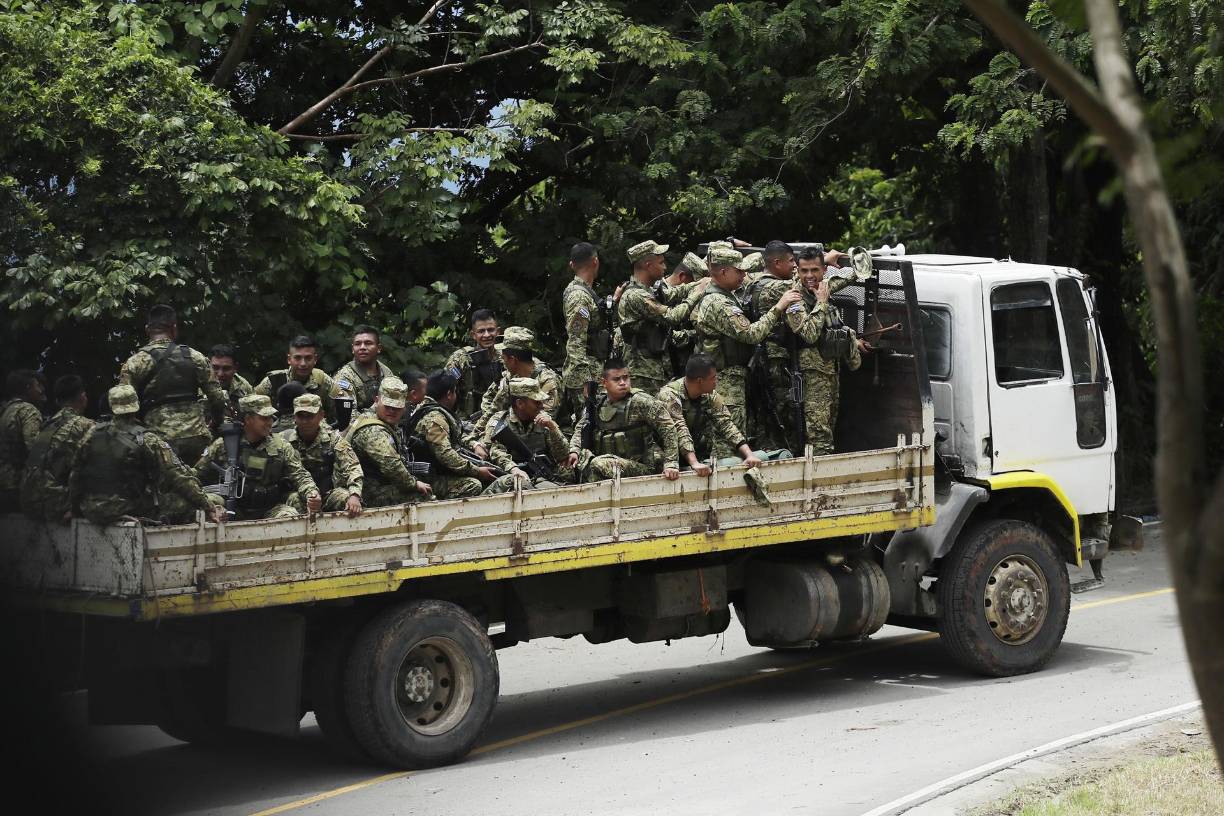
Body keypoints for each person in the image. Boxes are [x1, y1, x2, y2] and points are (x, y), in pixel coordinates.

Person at [692, 247, 802, 456]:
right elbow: (751, 334)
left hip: (731, 377)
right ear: (724, 272)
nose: (744, 275)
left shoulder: (724, 294)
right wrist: (779, 306)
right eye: (739, 271)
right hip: (725, 381)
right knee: (729, 443)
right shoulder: (719, 302)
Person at [70, 385, 221, 525]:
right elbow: (179, 477)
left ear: (111, 406)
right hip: (129, 509)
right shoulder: (147, 439)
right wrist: (208, 506)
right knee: (210, 500)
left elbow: (75, 474)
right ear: (136, 406)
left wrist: (74, 509)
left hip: (91, 510)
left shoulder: (91, 434)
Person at [119, 304, 227, 465]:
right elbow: (217, 398)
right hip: (196, 438)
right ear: (174, 328)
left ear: (147, 330)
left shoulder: (134, 363)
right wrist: (216, 423)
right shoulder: (194, 357)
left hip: (158, 440)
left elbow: (123, 408)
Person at [786, 246, 869, 454]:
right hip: (811, 377)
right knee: (818, 434)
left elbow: (856, 273)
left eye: (814, 270)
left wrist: (853, 341)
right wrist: (822, 303)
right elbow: (809, 334)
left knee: (829, 425)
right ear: (797, 271)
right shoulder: (794, 298)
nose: (809, 276)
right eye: (804, 271)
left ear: (824, 270)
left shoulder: (823, 287)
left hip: (830, 370)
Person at [196, 394, 320, 520]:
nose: (270, 422)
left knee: (289, 516)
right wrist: (213, 507)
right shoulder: (224, 445)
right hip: (233, 509)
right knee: (206, 505)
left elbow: (300, 474)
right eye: (264, 418)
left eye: (271, 418)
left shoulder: (280, 446)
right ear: (248, 419)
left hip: (269, 508)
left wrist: (312, 493)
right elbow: (196, 475)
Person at [616, 239, 710, 396]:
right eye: (661, 262)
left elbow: (674, 293)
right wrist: (698, 292)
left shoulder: (648, 290)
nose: (665, 267)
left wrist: (700, 283)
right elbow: (672, 316)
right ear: (648, 265)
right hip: (642, 373)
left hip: (653, 369)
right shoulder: (636, 295)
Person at [566, 358, 680, 482]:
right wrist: (574, 451)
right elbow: (581, 429)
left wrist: (671, 463)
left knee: (598, 464)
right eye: (616, 379)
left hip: (644, 466)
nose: (622, 382)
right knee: (573, 465)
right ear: (604, 383)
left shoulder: (641, 401)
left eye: (625, 378)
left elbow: (668, 428)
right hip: (614, 464)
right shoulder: (597, 404)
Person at [657, 355, 768, 475]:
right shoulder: (669, 396)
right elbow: (680, 429)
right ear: (700, 380)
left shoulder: (709, 395)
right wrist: (694, 463)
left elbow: (726, 424)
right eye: (713, 378)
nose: (716, 382)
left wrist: (749, 455)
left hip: (691, 452)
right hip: (667, 455)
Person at [743, 240, 801, 450]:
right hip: (775, 362)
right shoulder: (775, 287)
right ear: (777, 263)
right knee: (782, 415)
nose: (795, 266)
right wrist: (826, 265)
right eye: (792, 261)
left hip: (761, 360)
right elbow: (808, 283)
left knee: (765, 415)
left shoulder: (753, 282)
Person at [404, 372, 497, 499]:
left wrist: (474, 444)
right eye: (455, 392)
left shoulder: (424, 407)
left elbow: (456, 434)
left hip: (428, 472)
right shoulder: (436, 418)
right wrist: (477, 471)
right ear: (449, 394)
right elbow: (446, 455)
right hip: (427, 479)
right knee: (473, 485)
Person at [345, 378, 433, 507]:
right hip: (364, 492)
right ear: (377, 400)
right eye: (388, 406)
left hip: (377, 485)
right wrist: (413, 483)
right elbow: (391, 464)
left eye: (396, 407)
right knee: (423, 496)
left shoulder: (381, 420)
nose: (392, 411)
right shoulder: (373, 430)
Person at [483, 377, 577, 494]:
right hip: (510, 478)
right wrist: (514, 469)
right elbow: (496, 452)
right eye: (536, 402)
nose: (542, 406)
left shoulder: (544, 420)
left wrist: (553, 428)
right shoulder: (499, 422)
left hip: (540, 476)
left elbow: (563, 455)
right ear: (520, 403)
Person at [20, 375, 94, 522]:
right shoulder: (86, 425)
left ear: (57, 401)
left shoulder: (46, 425)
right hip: (56, 504)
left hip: (28, 501)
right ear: (83, 397)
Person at [470, 326, 560, 441]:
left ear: (513, 360)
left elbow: (544, 422)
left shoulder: (547, 380)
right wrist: (473, 439)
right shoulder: (510, 376)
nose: (502, 361)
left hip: (547, 437)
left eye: (503, 358)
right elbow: (495, 409)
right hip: (518, 431)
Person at [281, 393, 364, 517]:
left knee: (348, 500)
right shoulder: (284, 441)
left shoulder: (333, 439)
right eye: (300, 416)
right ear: (294, 417)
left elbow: (352, 467)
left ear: (321, 415)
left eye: (310, 416)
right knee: (293, 501)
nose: (305, 421)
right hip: (299, 495)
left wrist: (355, 494)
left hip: (328, 494)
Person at [560, 242, 611, 429]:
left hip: (592, 369)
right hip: (586, 373)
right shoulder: (579, 296)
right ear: (595, 261)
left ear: (572, 264)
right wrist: (586, 381)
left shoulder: (585, 292)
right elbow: (575, 341)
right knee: (589, 426)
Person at [254, 334, 339, 426]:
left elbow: (343, 409)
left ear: (315, 359)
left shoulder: (322, 380)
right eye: (297, 358)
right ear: (289, 359)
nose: (303, 363)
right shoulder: (273, 381)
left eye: (308, 358)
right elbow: (252, 411)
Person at [0, 369, 46, 511]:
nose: (41, 390)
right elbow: (36, 451)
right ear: (28, 388)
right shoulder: (27, 410)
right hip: (17, 487)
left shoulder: (5, 410)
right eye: (37, 385)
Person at [445, 309, 503, 420]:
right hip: (467, 422)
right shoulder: (460, 359)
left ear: (498, 331)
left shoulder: (506, 358)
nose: (487, 335)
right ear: (473, 334)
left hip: (500, 419)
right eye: (481, 331)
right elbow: (446, 387)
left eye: (490, 330)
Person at [333, 325, 394, 417]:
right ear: (353, 349)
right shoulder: (344, 377)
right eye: (358, 344)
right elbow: (348, 416)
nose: (362, 347)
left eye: (368, 343)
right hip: (358, 428)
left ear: (379, 348)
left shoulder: (386, 372)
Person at [208, 343, 253, 415]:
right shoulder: (197, 384)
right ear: (208, 365)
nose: (220, 374)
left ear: (235, 368)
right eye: (215, 368)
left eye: (226, 369)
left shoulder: (243, 386)